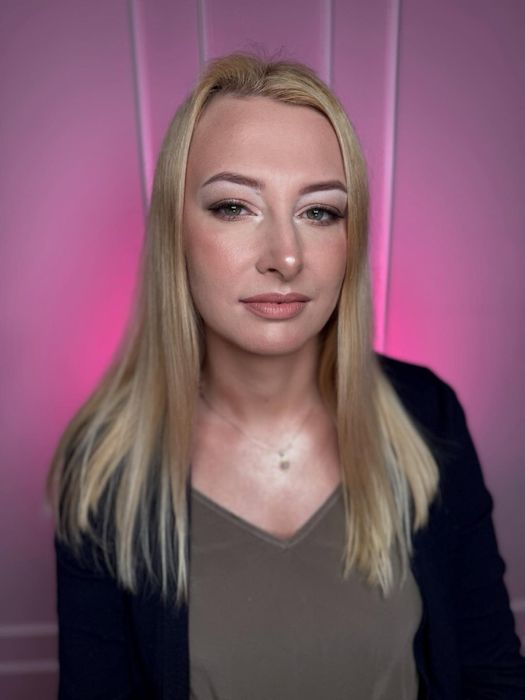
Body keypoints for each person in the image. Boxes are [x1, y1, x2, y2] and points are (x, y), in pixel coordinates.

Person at [47, 53, 525, 699]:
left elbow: (492, 674)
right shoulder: (106, 463)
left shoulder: (426, 415)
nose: (285, 257)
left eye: (319, 212)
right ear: (174, 231)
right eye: (234, 207)